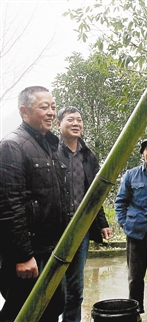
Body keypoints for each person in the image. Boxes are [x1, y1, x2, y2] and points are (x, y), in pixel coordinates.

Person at [0, 86, 67, 322]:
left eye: (53, 107)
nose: (51, 112)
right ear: (24, 111)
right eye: (44, 107)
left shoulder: (49, 145)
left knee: (52, 308)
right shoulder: (12, 146)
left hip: (50, 249)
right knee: (22, 313)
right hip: (30, 254)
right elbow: (9, 205)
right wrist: (22, 255)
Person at [56, 106, 112, 322]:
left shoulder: (88, 156)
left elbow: (94, 194)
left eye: (79, 120)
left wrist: (102, 223)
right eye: (71, 120)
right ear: (59, 124)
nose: (76, 123)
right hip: (55, 228)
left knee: (75, 287)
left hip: (81, 229)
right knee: (53, 286)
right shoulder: (51, 151)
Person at [115, 137, 147, 316]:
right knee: (135, 278)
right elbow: (120, 202)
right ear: (143, 153)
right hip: (136, 233)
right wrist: (124, 223)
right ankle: (134, 312)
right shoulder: (131, 175)